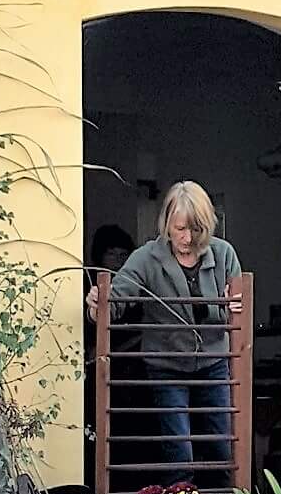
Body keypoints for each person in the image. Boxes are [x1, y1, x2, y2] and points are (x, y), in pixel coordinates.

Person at [89, 182, 241, 477]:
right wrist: (97, 305)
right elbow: (113, 303)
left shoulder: (224, 254)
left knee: (222, 448)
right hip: (166, 368)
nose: (187, 238)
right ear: (167, 223)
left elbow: (239, 306)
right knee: (179, 451)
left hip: (214, 364)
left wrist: (234, 306)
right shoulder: (146, 257)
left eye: (196, 229)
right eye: (180, 229)